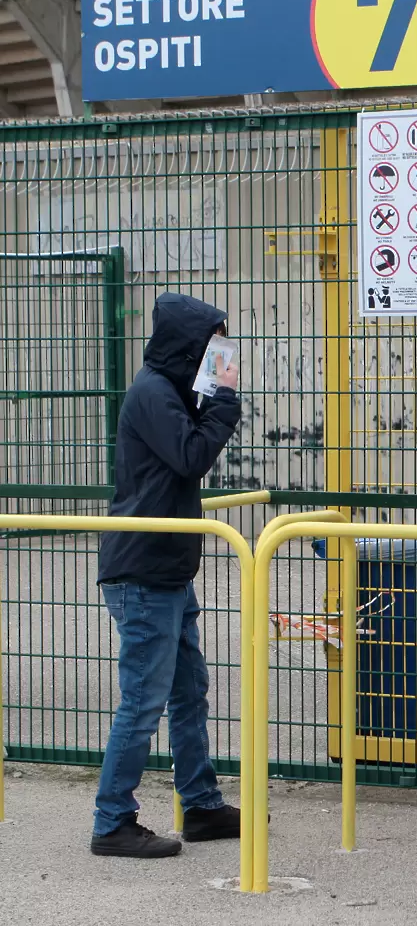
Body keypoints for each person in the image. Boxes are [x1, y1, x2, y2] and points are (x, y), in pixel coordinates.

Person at [91, 293, 242, 858]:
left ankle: (200, 805)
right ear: (188, 348)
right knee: (144, 699)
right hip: (144, 571)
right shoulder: (153, 393)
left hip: (168, 568)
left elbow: (187, 451)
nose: (218, 358)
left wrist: (211, 396)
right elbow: (190, 455)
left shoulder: (170, 390)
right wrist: (223, 398)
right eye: (211, 347)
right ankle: (112, 820)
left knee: (188, 691)